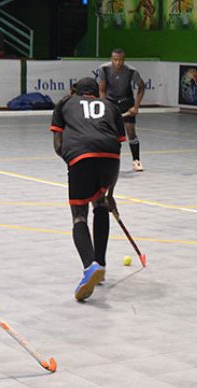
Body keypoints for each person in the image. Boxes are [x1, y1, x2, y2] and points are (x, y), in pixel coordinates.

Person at [50, 77, 126, 302]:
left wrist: (74, 161)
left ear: (75, 91)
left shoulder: (65, 102)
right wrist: (110, 192)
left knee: (79, 215)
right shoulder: (111, 105)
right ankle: (101, 264)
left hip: (81, 155)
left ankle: (89, 266)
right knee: (100, 203)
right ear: (97, 92)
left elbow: (58, 145)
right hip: (110, 157)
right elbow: (118, 145)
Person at [99, 48, 145, 172]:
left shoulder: (132, 71)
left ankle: (136, 161)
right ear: (111, 59)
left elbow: (141, 87)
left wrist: (136, 106)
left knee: (130, 131)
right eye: (115, 60)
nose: (118, 63)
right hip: (110, 102)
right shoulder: (104, 69)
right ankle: (106, 161)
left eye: (120, 60)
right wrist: (103, 105)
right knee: (108, 132)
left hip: (126, 101)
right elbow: (102, 89)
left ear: (124, 60)